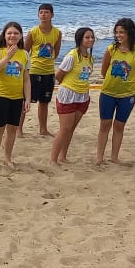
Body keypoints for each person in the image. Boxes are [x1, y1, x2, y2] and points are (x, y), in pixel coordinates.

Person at [96, 18, 135, 164]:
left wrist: (128, 82)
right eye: (117, 32)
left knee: (119, 126)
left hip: (127, 94)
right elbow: (104, 71)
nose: (118, 35)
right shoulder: (111, 49)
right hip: (108, 93)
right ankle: (99, 157)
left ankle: (114, 157)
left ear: (130, 33)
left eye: (122, 32)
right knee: (105, 124)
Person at [0, 22, 31, 170]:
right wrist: (7, 57)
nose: (12, 36)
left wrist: (27, 98)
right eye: (9, 33)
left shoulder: (24, 54)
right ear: (4, 35)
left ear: (20, 36)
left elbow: (26, 78)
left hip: (16, 96)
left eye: (16, 33)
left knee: (12, 129)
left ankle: (7, 158)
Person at [51, 27, 95, 165]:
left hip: (82, 96)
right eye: (87, 37)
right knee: (64, 129)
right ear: (80, 39)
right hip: (68, 95)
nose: (90, 40)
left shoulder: (89, 57)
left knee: (71, 129)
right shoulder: (72, 56)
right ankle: (53, 159)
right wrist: (69, 87)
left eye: (92, 37)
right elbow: (58, 75)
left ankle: (63, 157)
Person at [23, 3, 61, 137]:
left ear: (52, 15)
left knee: (44, 103)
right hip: (34, 71)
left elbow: (56, 52)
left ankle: (43, 129)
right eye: (41, 12)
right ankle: (18, 129)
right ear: (38, 15)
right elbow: (25, 52)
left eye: (46, 12)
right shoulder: (33, 32)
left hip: (49, 72)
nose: (43, 15)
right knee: (26, 101)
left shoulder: (57, 33)